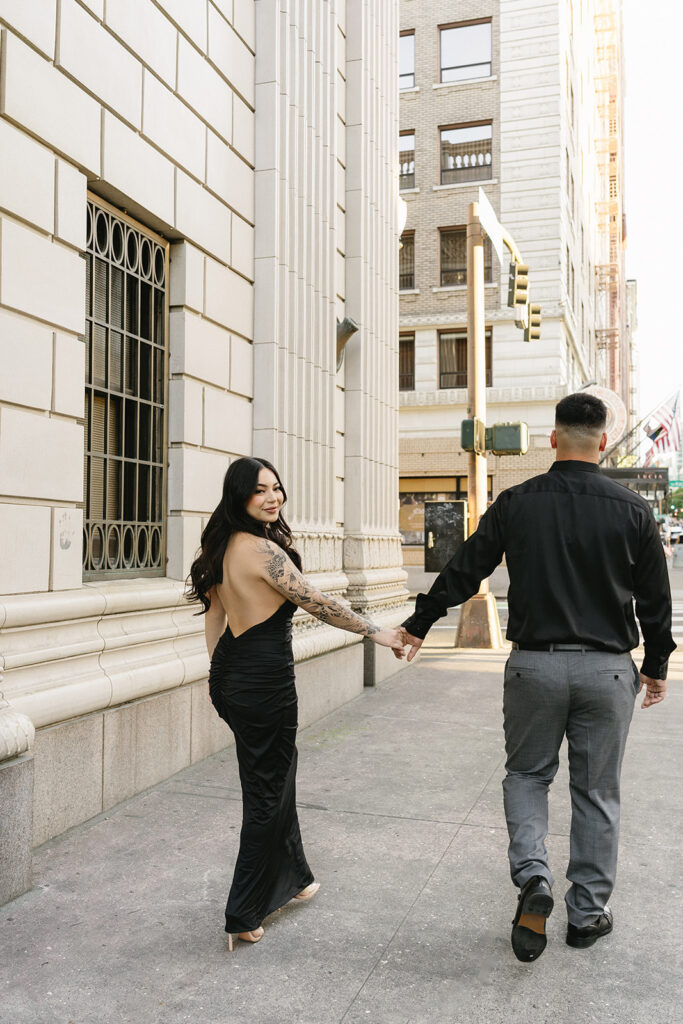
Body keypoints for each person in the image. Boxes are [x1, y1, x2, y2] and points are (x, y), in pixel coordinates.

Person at [400, 393, 675, 963]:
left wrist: (420, 622)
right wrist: (656, 666)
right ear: (603, 442)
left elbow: (466, 565)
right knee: (597, 792)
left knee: (527, 775)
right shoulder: (632, 510)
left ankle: (533, 877)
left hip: (535, 665)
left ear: (552, 438)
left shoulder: (516, 502)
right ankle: (587, 915)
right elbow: (655, 599)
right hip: (605, 671)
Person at [187, 457, 405, 951]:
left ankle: (296, 878)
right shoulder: (263, 552)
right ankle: (242, 913)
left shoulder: (218, 547)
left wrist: (215, 675)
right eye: (260, 490)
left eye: (277, 488)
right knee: (267, 790)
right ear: (239, 495)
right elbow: (318, 603)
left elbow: (216, 615)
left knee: (275, 775)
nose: (273, 497)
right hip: (265, 684)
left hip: (232, 677)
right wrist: (381, 632)